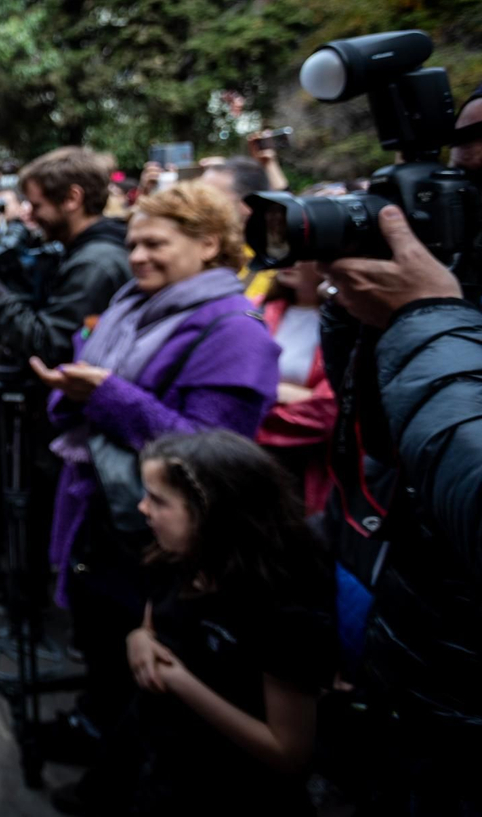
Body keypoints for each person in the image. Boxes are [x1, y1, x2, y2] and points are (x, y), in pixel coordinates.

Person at [33, 181, 280, 766]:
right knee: (100, 646)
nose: (137, 255)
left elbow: (210, 455)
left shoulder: (236, 329)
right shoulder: (128, 306)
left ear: (209, 244)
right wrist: (79, 391)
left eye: (154, 243)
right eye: (133, 242)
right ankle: (95, 742)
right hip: (106, 514)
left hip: (165, 544)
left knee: (146, 671)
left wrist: (106, 393)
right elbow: (80, 392)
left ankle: (119, 776)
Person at [59, 432, 334, 816]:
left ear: (214, 513)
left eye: (158, 500)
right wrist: (139, 637)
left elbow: (287, 753)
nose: (142, 507)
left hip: (226, 789)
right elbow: (154, 622)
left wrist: (181, 683)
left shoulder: (286, 607)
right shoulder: (178, 554)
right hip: (160, 756)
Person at [319, 203, 482, 813]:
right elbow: (385, 436)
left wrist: (427, 316)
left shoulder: (440, 314)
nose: (460, 166)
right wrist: (355, 317)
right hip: (414, 658)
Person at [0, 147, 131, 369]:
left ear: (72, 198)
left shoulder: (94, 264)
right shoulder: (83, 251)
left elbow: (50, 346)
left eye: (37, 205)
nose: (29, 215)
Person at [255, 260, 337, 514]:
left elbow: (329, 412)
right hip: (250, 461)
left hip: (308, 469)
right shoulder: (255, 308)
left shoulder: (346, 321)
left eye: (302, 253)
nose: (288, 260)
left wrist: (256, 403)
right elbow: (226, 385)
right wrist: (290, 394)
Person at [201, 157, 275, 303]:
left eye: (209, 199)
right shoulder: (190, 253)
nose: (196, 206)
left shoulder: (274, 265)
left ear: (247, 205)